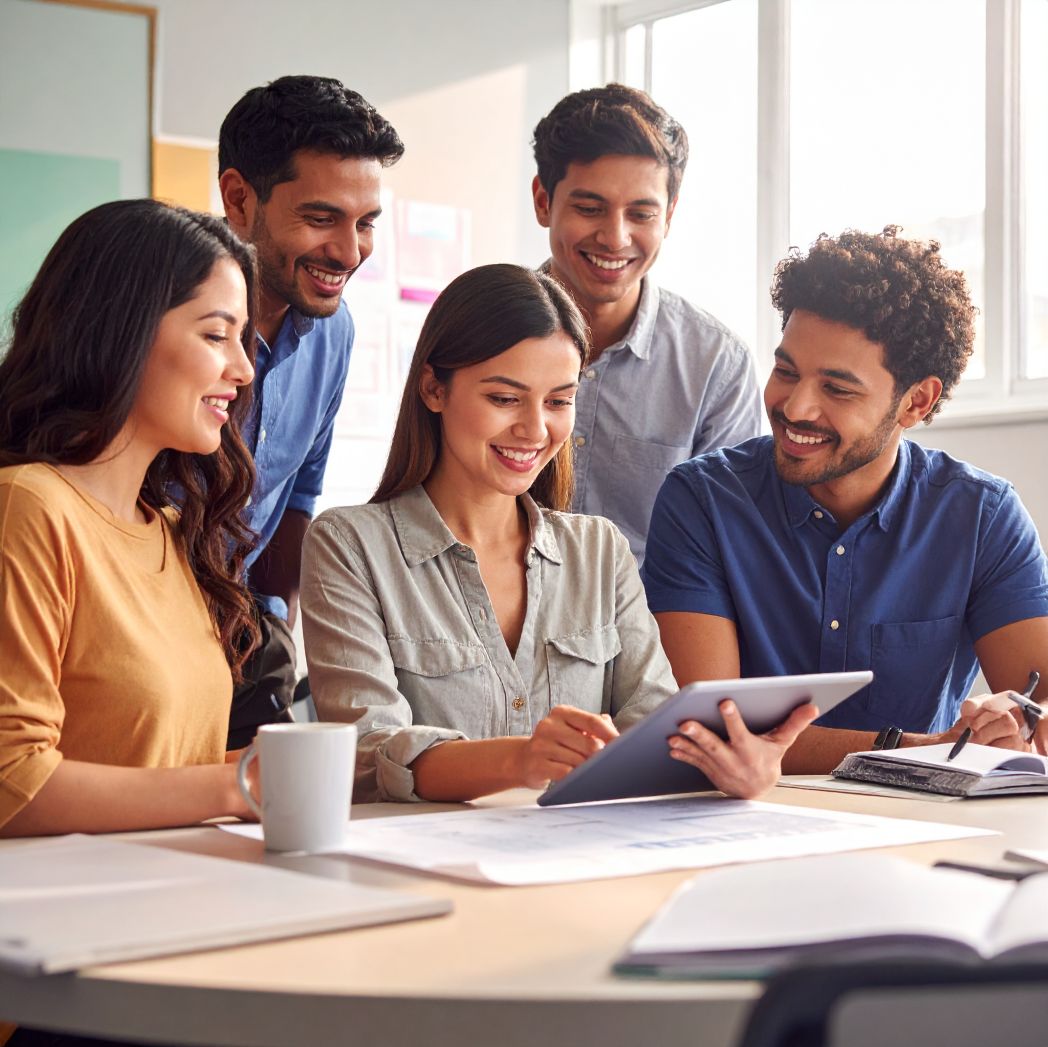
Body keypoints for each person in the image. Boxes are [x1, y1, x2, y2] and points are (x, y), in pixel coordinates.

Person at [299, 264, 815, 804]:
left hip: (580, 861)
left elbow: (658, 725)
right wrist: (518, 759)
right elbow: (368, 751)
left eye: (558, 401)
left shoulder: (599, 550)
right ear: (434, 388)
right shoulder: (349, 545)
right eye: (504, 398)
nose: (535, 429)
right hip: (422, 867)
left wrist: (734, 767)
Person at [643, 227, 1048, 772]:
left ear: (915, 402)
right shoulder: (703, 501)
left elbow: (1037, 702)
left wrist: (1011, 724)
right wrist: (924, 751)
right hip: (747, 814)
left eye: (837, 389)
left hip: (923, 823)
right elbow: (714, 731)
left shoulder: (981, 516)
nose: (796, 407)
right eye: (786, 371)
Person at [0, 199, 261, 836]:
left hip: (176, 895)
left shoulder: (171, 527)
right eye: (214, 334)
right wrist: (234, 785)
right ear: (122, 328)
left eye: (242, 338)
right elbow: (13, 781)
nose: (244, 368)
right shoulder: (29, 507)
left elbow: (161, 766)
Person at [217, 75, 405, 746]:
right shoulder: (160, 315)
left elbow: (298, 493)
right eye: (322, 218)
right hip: (140, 637)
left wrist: (277, 630)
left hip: (247, 642)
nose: (349, 252)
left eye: (366, 224)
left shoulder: (334, 331)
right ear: (240, 201)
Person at [530, 84, 761, 563]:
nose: (615, 238)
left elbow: (726, 555)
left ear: (669, 216)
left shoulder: (717, 366)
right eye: (590, 209)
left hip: (644, 633)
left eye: (641, 214)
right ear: (543, 201)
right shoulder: (475, 330)